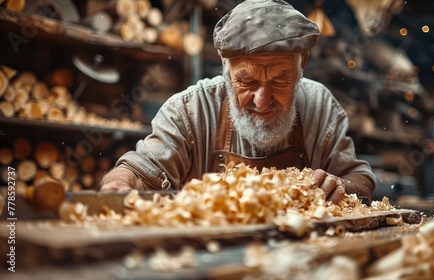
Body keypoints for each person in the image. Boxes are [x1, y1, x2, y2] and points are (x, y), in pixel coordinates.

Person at [100, 0, 376, 204]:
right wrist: (118, 185)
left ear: (301, 62)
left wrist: (340, 185)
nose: (262, 100)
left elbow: (360, 179)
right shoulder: (188, 111)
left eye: (280, 81)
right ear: (225, 65)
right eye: (247, 81)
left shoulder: (320, 106)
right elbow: (139, 170)